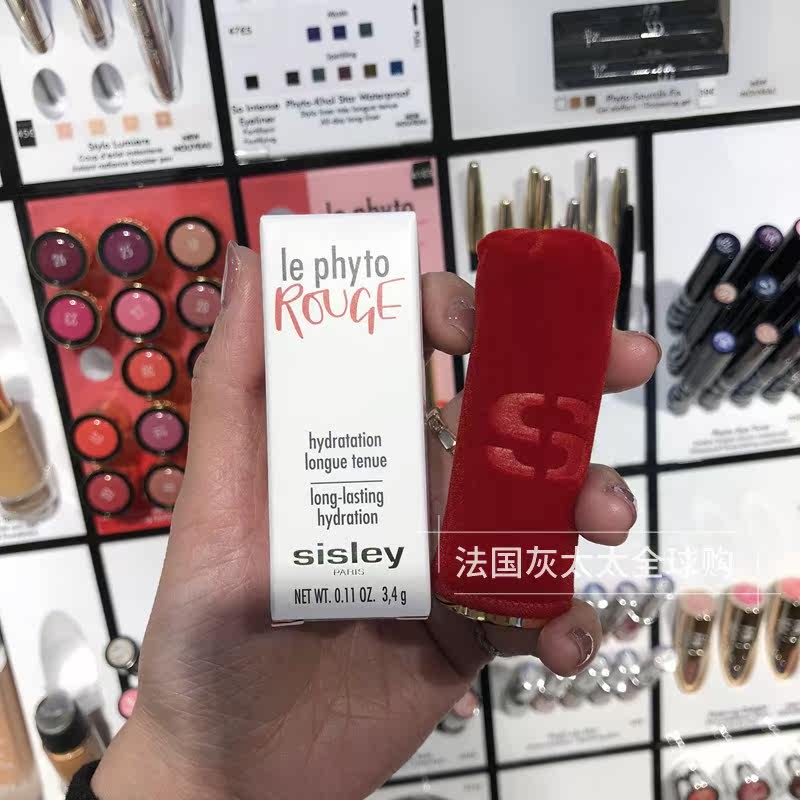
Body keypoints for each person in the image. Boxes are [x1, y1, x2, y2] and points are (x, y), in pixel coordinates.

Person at [81, 243, 659, 800]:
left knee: (548, 442)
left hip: (426, 591)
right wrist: (187, 765)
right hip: (342, 598)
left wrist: (188, 775)